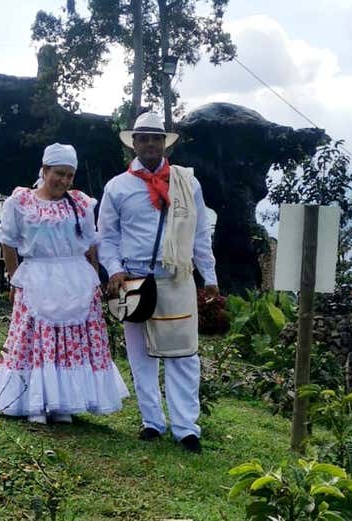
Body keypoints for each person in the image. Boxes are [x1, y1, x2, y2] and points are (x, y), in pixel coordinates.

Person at [0, 143, 129, 424]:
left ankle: (63, 403)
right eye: (59, 173)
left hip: (74, 277)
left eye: (69, 175)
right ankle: (35, 402)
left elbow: (89, 245)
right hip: (37, 275)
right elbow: (8, 242)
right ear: (44, 170)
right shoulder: (21, 202)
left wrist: (93, 277)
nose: (64, 180)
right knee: (36, 340)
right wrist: (14, 279)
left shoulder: (80, 203)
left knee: (70, 341)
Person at [98, 113, 219, 453]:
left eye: (156, 138)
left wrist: (209, 277)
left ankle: (186, 428)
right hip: (134, 279)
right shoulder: (117, 187)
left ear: (164, 143)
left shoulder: (186, 183)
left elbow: (199, 234)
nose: (150, 144)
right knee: (141, 354)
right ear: (133, 143)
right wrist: (114, 270)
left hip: (177, 275)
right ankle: (152, 421)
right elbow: (106, 237)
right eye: (143, 138)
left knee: (183, 355)